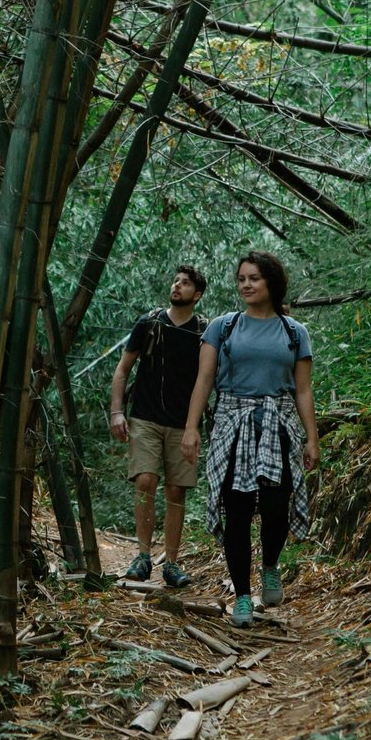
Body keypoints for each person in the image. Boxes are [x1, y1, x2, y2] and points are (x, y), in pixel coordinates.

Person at [180, 252, 319, 627]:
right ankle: (242, 595)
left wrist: (311, 438)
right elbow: (204, 380)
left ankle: (270, 564)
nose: (245, 285)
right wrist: (191, 428)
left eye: (254, 278)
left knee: (277, 505)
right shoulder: (223, 328)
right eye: (241, 278)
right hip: (232, 423)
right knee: (237, 511)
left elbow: (303, 391)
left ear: (271, 282)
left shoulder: (293, 332)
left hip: (279, 422)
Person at [110, 266, 208, 588]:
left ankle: (172, 562)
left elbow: (209, 380)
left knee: (176, 489)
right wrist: (117, 412)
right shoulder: (150, 323)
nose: (177, 286)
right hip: (145, 417)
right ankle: (142, 555)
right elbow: (123, 369)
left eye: (185, 283)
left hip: (183, 423)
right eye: (175, 280)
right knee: (146, 481)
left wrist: (197, 426)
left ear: (197, 294)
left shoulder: (203, 332)